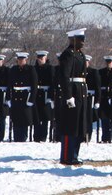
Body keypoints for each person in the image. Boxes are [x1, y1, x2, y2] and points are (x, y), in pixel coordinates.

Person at [56, 28, 90, 166]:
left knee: (78, 126)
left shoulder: (79, 54)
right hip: (73, 92)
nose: (83, 42)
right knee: (70, 126)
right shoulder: (68, 55)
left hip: (80, 91)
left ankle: (74, 155)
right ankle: (67, 156)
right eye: (80, 40)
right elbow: (64, 77)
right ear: (73, 40)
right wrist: (68, 96)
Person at [7, 52, 39, 142]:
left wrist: (31, 99)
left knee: (25, 119)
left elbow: (34, 85)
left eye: (22, 60)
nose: (20, 61)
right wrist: (8, 98)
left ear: (26, 60)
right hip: (16, 96)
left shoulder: (30, 69)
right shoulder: (13, 69)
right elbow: (9, 85)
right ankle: (16, 137)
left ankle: (23, 137)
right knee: (16, 118)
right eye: (19, 60)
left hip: (26, 96)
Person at [32, 50, 54, 142]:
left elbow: (53, 83)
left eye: (42, 58)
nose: (40, 60)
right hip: (37, 94)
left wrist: (50, 96)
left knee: (45, 117)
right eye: (39, 59)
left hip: (45, 94)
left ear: (45, 58)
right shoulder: (34, 68)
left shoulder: (50, 68)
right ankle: (36, 136)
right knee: (36, 116)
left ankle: (43, 137)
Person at [83, 55, 101, 142]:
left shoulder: (93, 72)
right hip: (82, 97)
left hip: (90, 98)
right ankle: (82, 136)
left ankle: (88, 136)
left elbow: (98, 88)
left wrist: (97, 101)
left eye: (86, 61)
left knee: (88, 119)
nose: (85, 63)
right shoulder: (78, 72)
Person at [98, 54, 112, 142]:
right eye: (108, 62)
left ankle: (110, 137)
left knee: (111, 119)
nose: (109, 64)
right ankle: (104, 137)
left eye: (110, 62)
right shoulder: (101, 72)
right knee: (104, 118)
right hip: (104, 97)